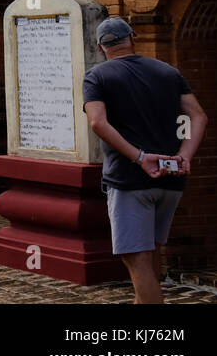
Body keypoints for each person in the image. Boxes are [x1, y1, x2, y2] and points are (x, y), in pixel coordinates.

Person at [82, 17, 207, 304]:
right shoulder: (168, 71)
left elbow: (97, 123)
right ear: (132, 40)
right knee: (150, 256)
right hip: (171, 179)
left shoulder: (97, 76)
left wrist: (139, 158)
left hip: (130, 180)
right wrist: (184, 156)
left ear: (101, 47)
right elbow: (199, 115)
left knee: (136, 261)